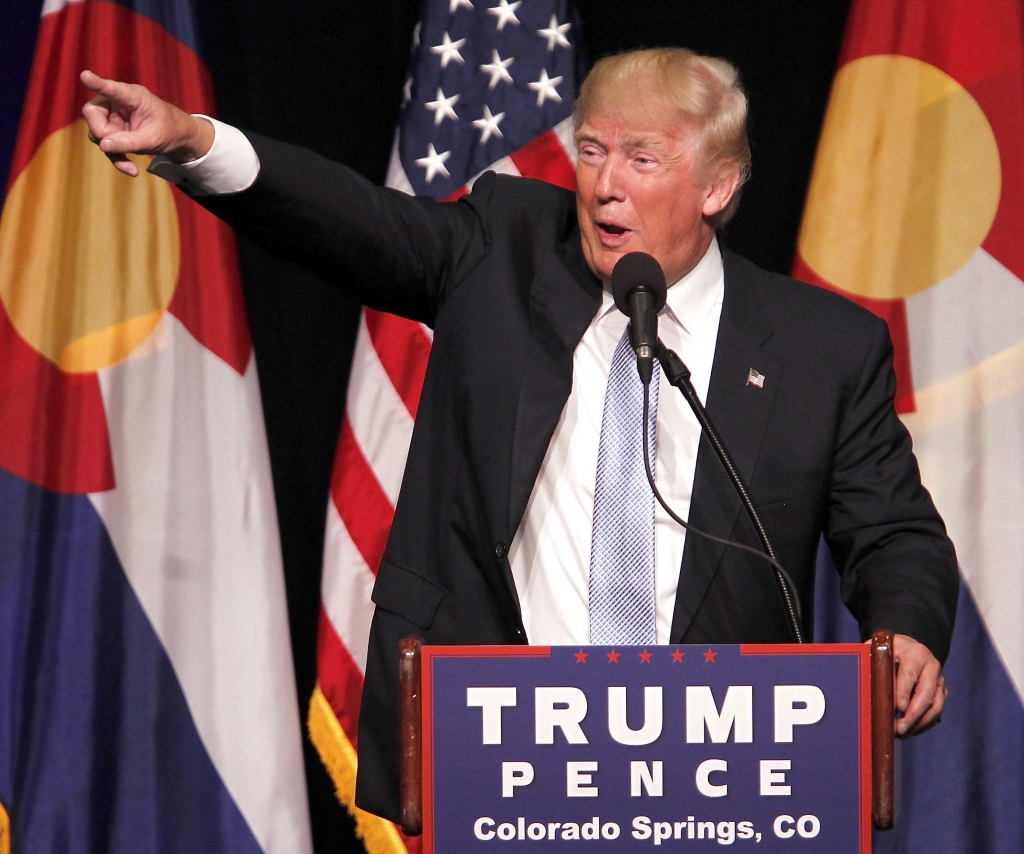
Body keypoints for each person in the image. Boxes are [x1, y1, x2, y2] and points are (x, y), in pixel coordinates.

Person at [81, 48, 959, 822]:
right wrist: (196, 141)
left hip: (714, 770)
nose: (604, 183)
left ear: (717, 187)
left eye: (642, 159)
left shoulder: (820, 349)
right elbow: (356, 220)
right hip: (501, 751)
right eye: (592, 150)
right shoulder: (503, 249)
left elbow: (893, 529)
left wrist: (909, 627)